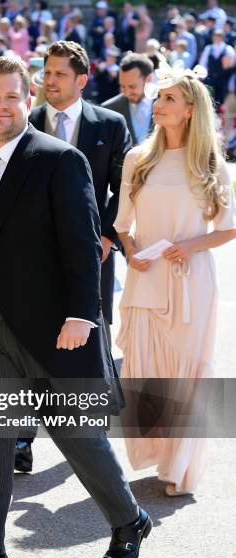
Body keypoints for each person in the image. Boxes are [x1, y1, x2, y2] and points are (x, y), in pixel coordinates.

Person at [0, 56, 151, 558]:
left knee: (76, 435)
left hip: (57, 329)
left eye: (11, 97)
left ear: (27, 100)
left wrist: (80, 315)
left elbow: (80, 246)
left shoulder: (59, 159)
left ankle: (128, 520)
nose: (1, 107)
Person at [114, 62, 236, 495]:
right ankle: (162, 454)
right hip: (146, 279)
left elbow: (228, 226)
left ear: (189, 110)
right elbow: (122, 226)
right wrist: (131, 254)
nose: (158, 103)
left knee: (186, 373)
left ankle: (181, 467)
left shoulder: (208, 164)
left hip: (191, 280)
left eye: (168, 98)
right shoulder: (138, 159)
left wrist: (190, 246)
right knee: (147, 372)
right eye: (158, 97)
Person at [18, 41, 132, 472]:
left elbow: (124, 187)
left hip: (92, 256)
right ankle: (21, 439)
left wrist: (106, 236)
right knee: (28, 340)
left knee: (89, 337)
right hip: (33, 258)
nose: (49, 81)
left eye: (59, 74)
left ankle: (89, 430)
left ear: (81, 80)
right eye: (46, 73)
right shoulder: (24, 121)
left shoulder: (111, 124)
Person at [103, 53, 154, 146]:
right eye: (123, 86)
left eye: (132, 86)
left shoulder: (167, 105)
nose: (126, 93)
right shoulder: (109, 109)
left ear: (149, 79)